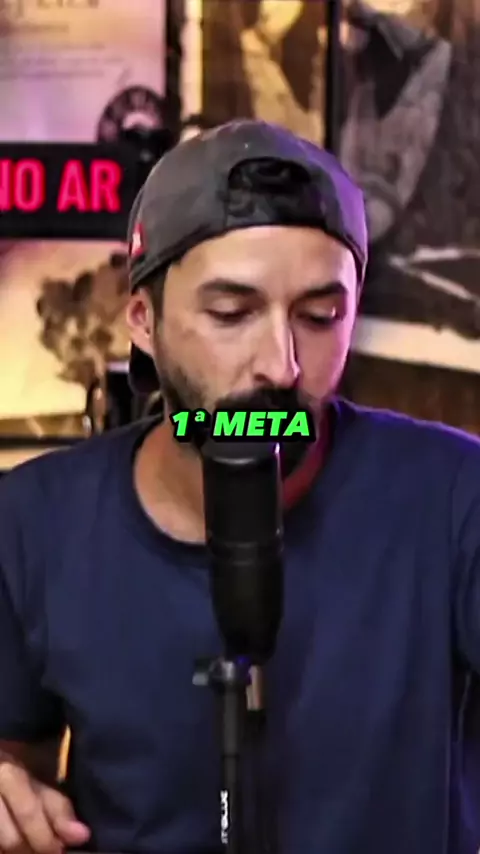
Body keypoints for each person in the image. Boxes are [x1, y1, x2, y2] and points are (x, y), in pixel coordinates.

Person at [0, 119, 479, 854]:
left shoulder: (453, 498)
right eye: (231, 313)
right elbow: (20, 777)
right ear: (143, 320)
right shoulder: (32, 522)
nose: (281, 365)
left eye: (321, 316)